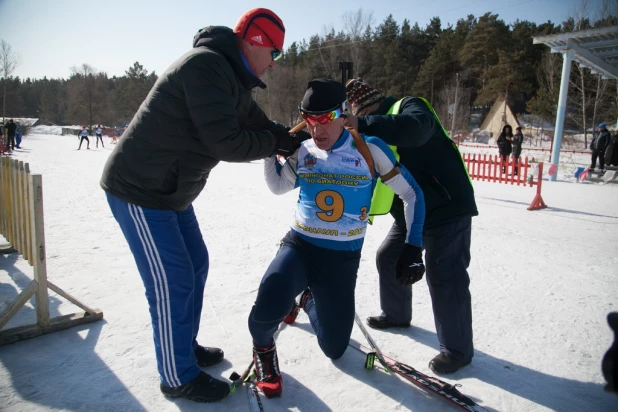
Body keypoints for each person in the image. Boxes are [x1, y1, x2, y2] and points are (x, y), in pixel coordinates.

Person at [99, 8, 304, 403]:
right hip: (141, 188)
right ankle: (177, 377)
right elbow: (225, 141)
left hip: (171, 191)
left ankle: (183, 347)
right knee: (172, 279)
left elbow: (256, 123)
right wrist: (274, 145)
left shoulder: (230, 77)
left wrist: (285, 136)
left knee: (195, 264)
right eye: (274, 53)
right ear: (257, 42)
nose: (274, 64)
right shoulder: (206, 67)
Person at [247, 78, 425, 398]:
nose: (317, 129)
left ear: (344, 114)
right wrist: (270, 152)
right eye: (310, 119)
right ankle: (264, 354)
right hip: (300, 245)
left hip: (341, 260)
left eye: (325, 119)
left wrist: (414, 246)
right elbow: (277, 187)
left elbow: (412, 195)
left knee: (335, 348)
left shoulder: (369, 149)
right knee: (267, 303)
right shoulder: (303, 149)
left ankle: (306, 298)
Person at [343, 78, 478, 374]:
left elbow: (417, 129)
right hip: (411, 210)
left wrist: (364, 122)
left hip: (447, 207)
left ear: (374, 106)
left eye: (364, 113)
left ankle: (457, 350)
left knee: (445, 273)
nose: (362, 121)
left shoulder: (410, 106)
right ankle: (396, 314)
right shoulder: (370, 128)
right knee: (388, 256)